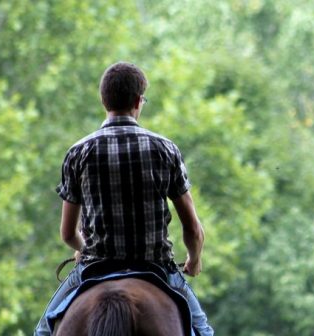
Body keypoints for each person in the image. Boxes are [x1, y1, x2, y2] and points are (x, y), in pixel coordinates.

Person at [34, 61, 214, 336]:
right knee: (204, 332)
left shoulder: (78, 153)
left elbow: (68, 233)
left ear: (103, 100)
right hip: (156, 267)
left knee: (43, 332)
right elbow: (192, 228)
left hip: (95, 266)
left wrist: (84, 249)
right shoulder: (165, 149)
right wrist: (194, 259)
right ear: (138, 101)